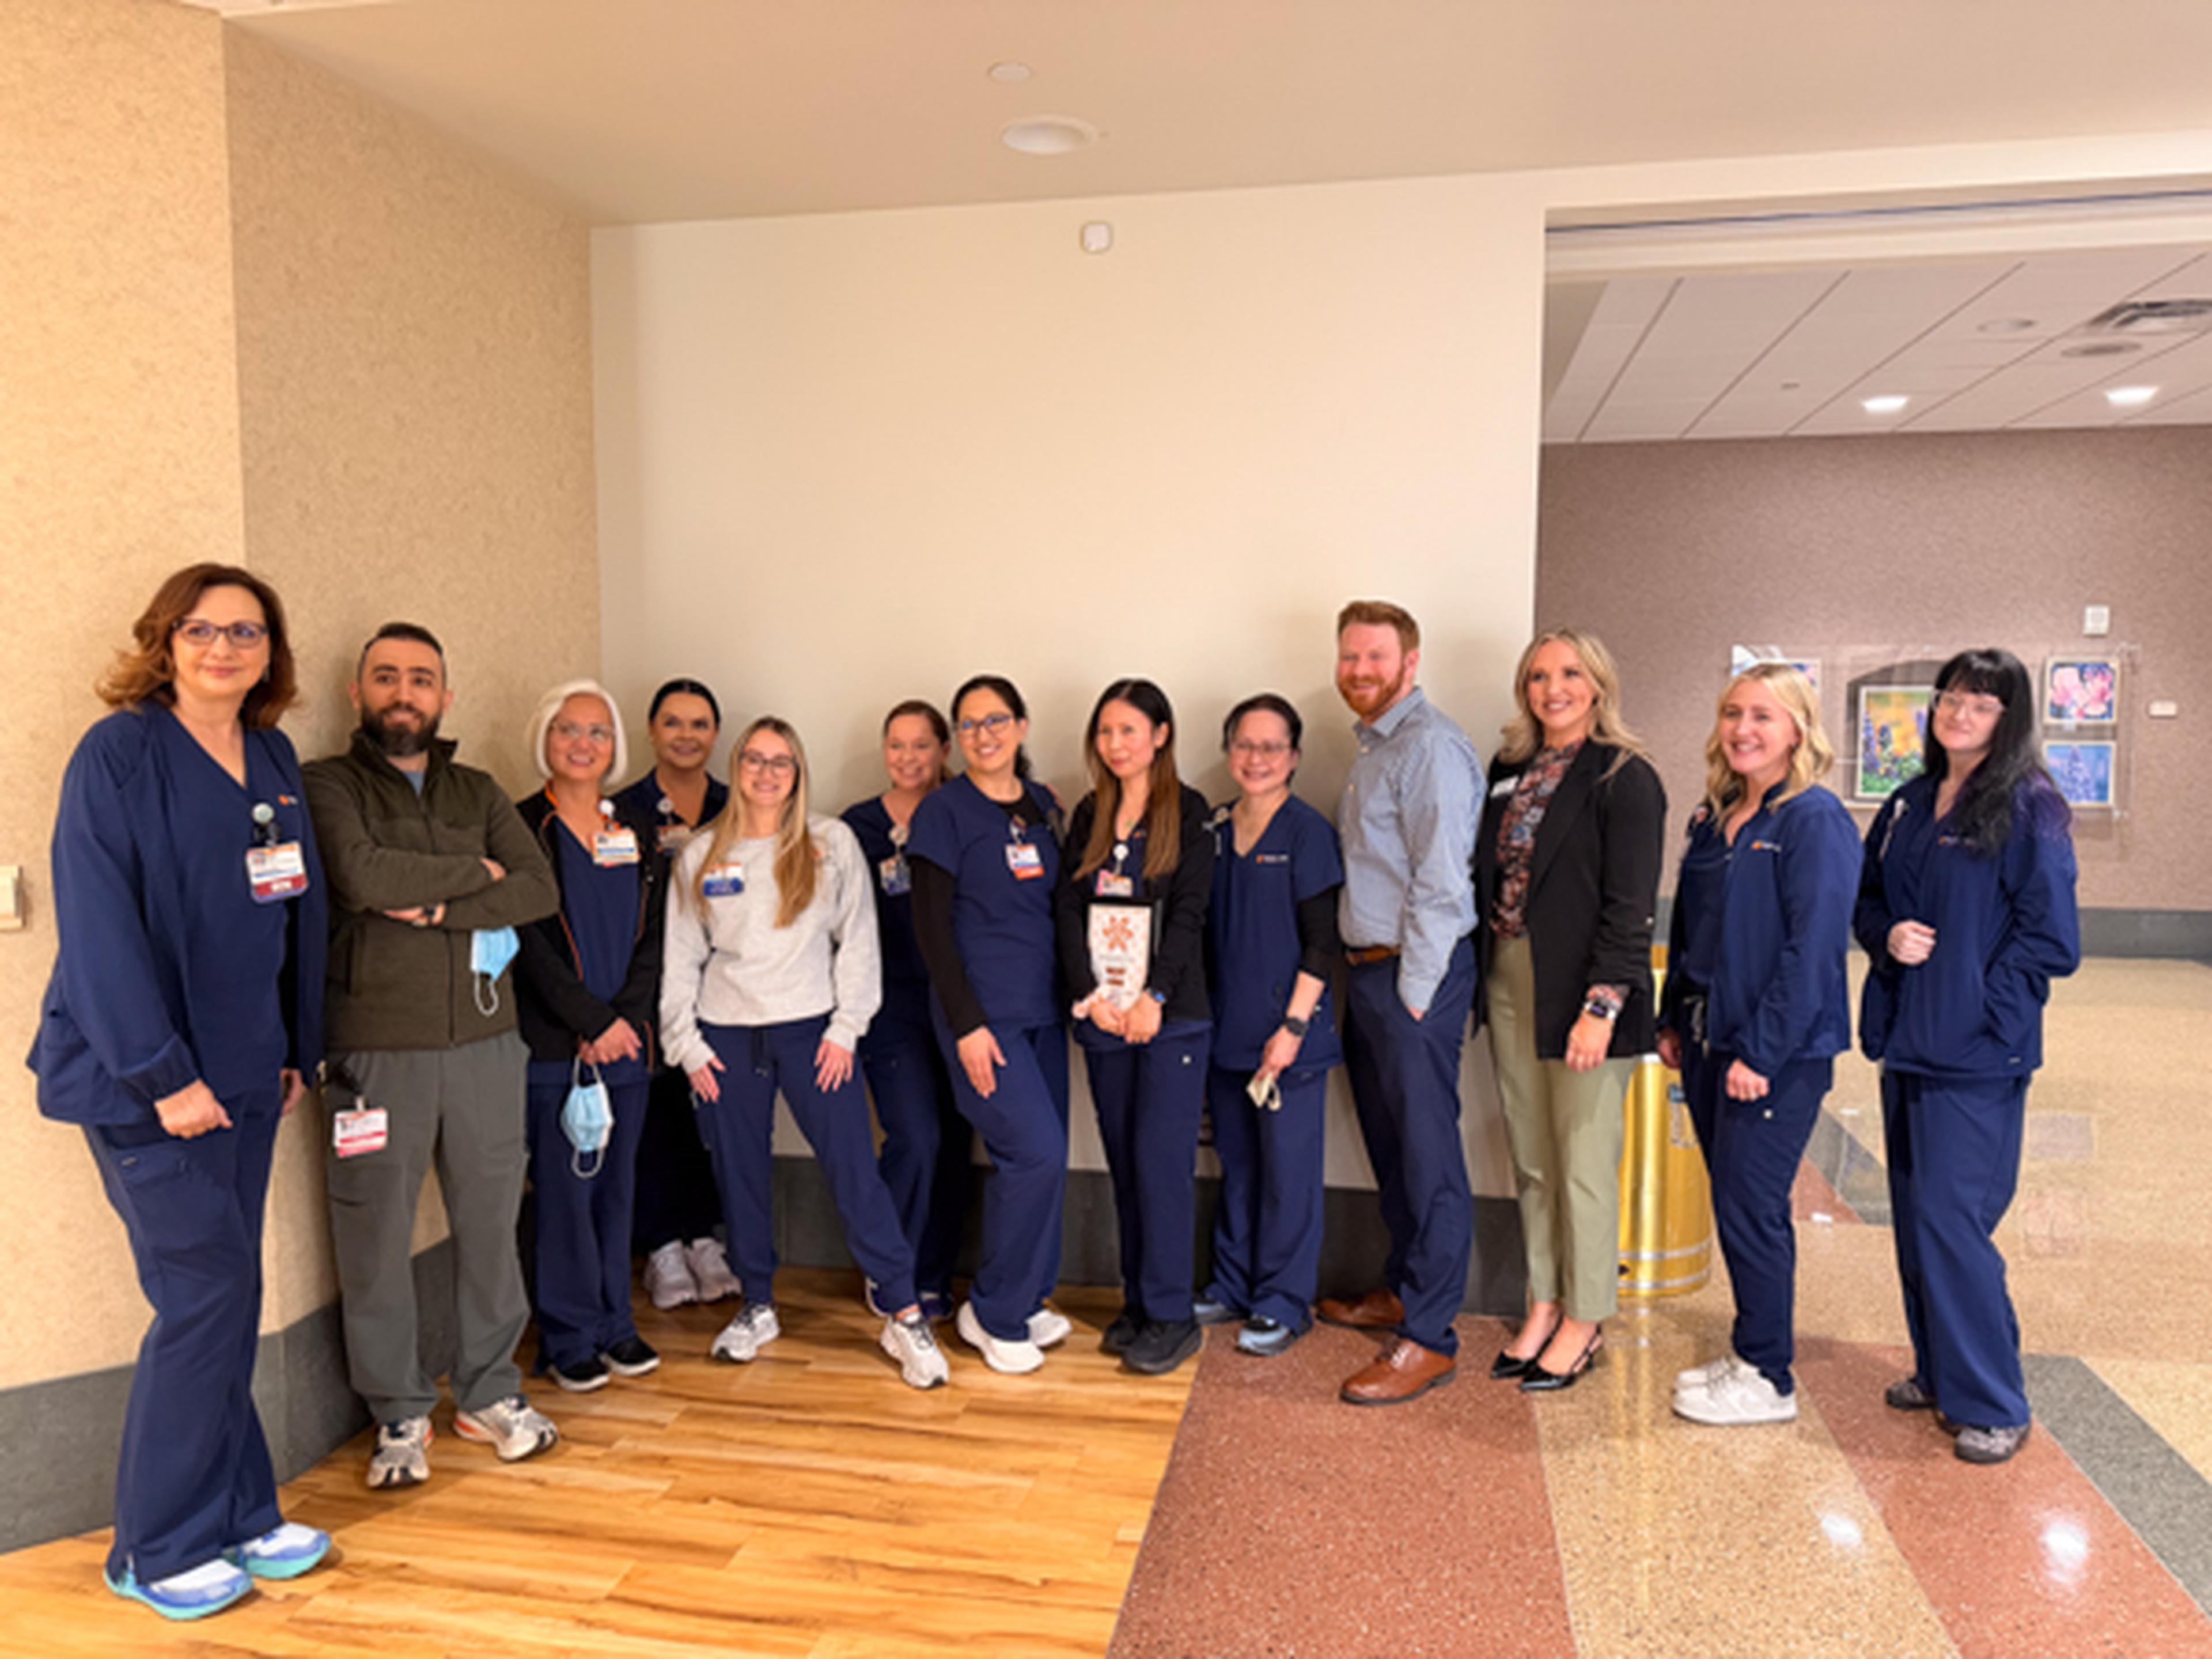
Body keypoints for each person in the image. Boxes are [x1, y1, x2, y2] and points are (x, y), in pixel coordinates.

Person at [28, 565, 331, 1619]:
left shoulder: (273, 756)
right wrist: (164, 1078)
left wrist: (298, 1048)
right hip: (144, 1083)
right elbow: (98, 926)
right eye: (202, 630)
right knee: (204, 1296)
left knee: (228, 1295)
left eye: (247, 632)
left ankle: (241, 1512)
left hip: (249, 1074)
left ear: (270, 651)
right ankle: (153, 1546)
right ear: (165, 642)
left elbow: (297, 910)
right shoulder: (119, 754)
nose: (224, 649)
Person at [304, 622, 563, 1490]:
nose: (404, 693)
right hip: (375, 1051)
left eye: (421, 679)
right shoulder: (327, 784)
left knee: (490, 1229)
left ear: (445, 697)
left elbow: (536, 888)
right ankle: (399, 1411)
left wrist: (444, 909)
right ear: (358, 693)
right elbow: (363, 876)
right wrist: (475, 873)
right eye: (386, 677)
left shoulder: (477, 790)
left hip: (487, 1045)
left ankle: (488, 1393)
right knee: (373, 1235)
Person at [658, 717, 949, 1390]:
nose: (766, 773)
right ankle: (757, 1303)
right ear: (738, 768)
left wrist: (846, 1028)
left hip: (814, 1035)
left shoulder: (830, 842)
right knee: (740, 1172)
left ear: (797, 773)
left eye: (781, 762)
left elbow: (859, 941)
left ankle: (903, 1310)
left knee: (854, 1172)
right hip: (724, 1039)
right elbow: (681, 956)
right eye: (755, 760)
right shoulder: (701, 853)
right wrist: (686, 1046)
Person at [1855, 648, 2080, 1465]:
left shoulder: (2028, 806)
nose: (1959, 714)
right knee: (1918, 1221)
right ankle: (1940, 1371)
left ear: (2008, 720)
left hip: (1977, 1053)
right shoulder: (1910, 802)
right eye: (1951, 698)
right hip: (1908, 1041)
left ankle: (1993, 1401)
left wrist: (1985, 1007)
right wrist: (1888, 935)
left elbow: (2052, 940)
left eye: (1981, 705)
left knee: (1954, 1223)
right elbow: (1868, 901)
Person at [1657, 662, 1857, 1425]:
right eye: (1734, 713)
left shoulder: (1814, 820)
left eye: (1764, 716)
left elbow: (1813, 952)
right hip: (1709, 1040)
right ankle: (1749, 1350)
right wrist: (1673, 1017)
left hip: (1774, 1054)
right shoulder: (1715, 817)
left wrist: (1762, 1053)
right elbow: (1693, 928)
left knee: (1752, 1208)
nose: (1744, 729)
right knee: (1734, 1202)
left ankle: (1769, 1376)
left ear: (1798, 729)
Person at [1475, 629, 1665, 1395]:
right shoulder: (1509, 770)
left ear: (1598, 684)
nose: (1553, 689)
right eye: (1538, 676)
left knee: (1583, 1162)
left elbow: (1631, 907)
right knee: (1532, 1157)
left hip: (1586, 988)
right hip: (1511, 974)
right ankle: (1544, 1302)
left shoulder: (1625, 776)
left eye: (1570, 674)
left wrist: (1602, 1007)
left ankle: (1586, 1318)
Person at [1315, 601, 1484, 1406]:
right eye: (1349, 656)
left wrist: (1414, 997)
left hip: (1417, 978)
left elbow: (1444, 886)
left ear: (1410, 663)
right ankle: (1405, 1290)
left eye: (1375, 657)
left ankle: (1431, 1338)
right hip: (1371, 975)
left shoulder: (1431, 749)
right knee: (1391, 1151)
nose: (1359, 670)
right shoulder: (1377, 747)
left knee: (1428, 1160)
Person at [907, 675, 1075, 1374]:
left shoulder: (1042, 807)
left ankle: (1027, 1296)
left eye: (996, 720)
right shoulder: (943, 813)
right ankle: (995, 1313)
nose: (984, 735)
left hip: (1043, 1012)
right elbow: (931, 929)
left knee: (1046, 1157)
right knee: (1033, 1153)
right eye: (970, 724)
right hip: (982, 1017)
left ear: (1022, 727)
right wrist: (967, 1024)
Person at [1055, 679, 1215, 1376]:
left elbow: (1190, 914)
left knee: (1161, 1166)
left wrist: (1155, 995)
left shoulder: (1190, 812)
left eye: (1128, 730)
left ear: (1161, 735)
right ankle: (1139, 1302)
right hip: (1105, 1018)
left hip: (1168, 1022)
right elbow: (1066, 909)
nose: (1115, 745)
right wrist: (1090, 996)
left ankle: (1173, 1316)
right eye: (1105, 732)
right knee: (1124, 1161)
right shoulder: (1091, 812)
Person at [513, 680, 669, 1392]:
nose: (583, 744)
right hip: (558, 1046)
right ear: (545, 738)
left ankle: (616, 1325)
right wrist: (589, 1021)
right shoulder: (522, 827)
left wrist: (624, 1020)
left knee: (616, 1188)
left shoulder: (634, 828)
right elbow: (529, 943)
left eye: (598, 732)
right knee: (565, 1194)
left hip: (626, 1047)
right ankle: (568, 1335)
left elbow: (655, 934)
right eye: (568, 729)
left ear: (616, 746)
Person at [1196, 694, 1343, 1358]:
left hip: (1290, 1040)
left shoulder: (1307, 833)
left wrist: (1292, 1028)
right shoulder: (1213, 831)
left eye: (1272, 747)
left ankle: (1283, 1301)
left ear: (1295, 757)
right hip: (1227, 1035)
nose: (1257, 758)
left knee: (1288, 1174)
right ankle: (1232, 1285)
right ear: (1230, 752)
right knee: (1238, 1167)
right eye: (1245, 745)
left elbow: (1322, 943)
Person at [612, 679, 740, 1312]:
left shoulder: (736, 804)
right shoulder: (622, 810)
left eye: (699, 724)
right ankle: (662, 1245)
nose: (686, 735)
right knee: (657, 1112)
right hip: (646, 982)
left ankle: (704, 1238)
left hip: (723, 982)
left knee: (709, 1112)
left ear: (715, 734)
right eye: (673, 722)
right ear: (651, 730)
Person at [842, 700, 969, 1325]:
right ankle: (891, 1269)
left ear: (944, 750)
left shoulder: (964, 812)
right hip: (889, 1005)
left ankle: (933, 1274)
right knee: (916, 1138)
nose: (908, 757)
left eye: (922, 745)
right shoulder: (856, 828)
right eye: (897, 745)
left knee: (954, 1142)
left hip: (959, 1003)